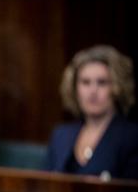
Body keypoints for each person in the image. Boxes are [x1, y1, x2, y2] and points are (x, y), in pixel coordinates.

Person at [46, 45, 138, 179]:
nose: (93, 91)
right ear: (74, 88)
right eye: (85, 82)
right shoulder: (60, 135)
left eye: (102, 82)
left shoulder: (132, 137)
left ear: (117, 88)